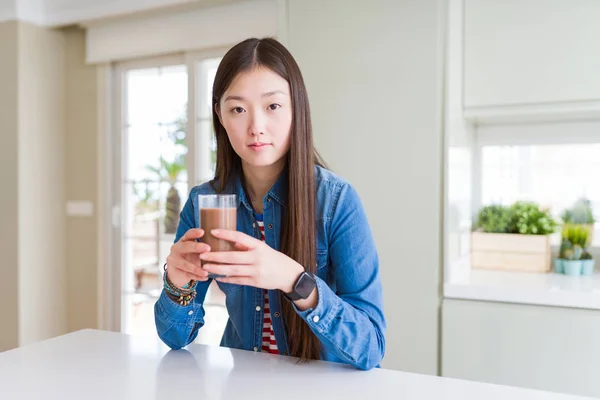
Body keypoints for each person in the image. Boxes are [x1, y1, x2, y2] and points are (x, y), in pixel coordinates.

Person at [154, 37, 386, 371]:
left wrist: (295, 280)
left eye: (272, 106)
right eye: (238, 109)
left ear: (296, 109)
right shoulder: (206, 203)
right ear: (220, 116)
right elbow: (175, 339)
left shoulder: (336, 201)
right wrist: (177, 284)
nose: (256, 127)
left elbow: (371, 347)